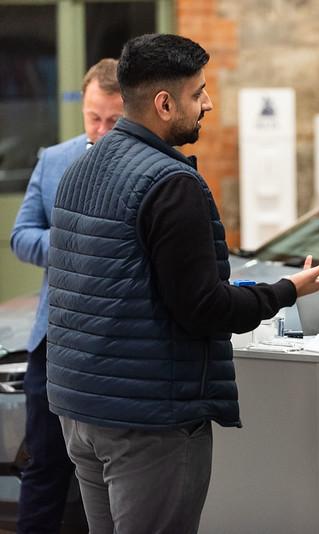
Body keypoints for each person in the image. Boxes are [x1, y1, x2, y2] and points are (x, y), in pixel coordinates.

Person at [46, 34, 319, 533]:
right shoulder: (171, 183)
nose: (208, 104)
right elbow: (202, 306)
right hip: (149, 418)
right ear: (164, 104)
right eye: (198, 93)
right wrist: (288, 290)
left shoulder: (80, 168)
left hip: (80, 411)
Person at [10, 58, 123, 533]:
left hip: (116, 343)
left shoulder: (152, 168)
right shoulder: (54, 160)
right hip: (53, 340)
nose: (100, 129)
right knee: (44, 464)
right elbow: (21, 236)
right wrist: (73, 241)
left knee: (106, 474)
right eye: (93, 117)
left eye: (113, 120)